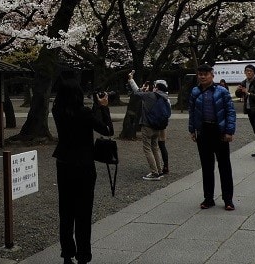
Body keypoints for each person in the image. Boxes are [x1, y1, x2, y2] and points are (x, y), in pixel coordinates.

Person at [52, 79, 114, 264]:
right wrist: (103, 107)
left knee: (66, 212)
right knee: (83, 213)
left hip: (64, 163)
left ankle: (67, 254)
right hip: (84, 166)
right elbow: (108, 130)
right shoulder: (84, 113)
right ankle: (83, 256)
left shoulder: (57, 111)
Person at [188, 63, 236, 211]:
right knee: (206, 167)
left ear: (212, 75)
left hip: (219, 131)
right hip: (203, 131)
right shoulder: (195, 92)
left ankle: (228, 199)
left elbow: (230, 112)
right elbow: (192, 112)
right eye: (200, 74)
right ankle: (208, 198)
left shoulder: (222, 91)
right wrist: (192, 130)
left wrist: (229, 131)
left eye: (205, 74)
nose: (202, 76)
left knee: (224, 166)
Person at [127, 71, 169, 180]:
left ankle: (154, 173)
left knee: (147, 149)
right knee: (155, 148)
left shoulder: (149, 95)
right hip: (158, 126)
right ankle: (159, 170)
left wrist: (131, 79)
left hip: (147, 125)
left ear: (156, 87)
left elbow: (136, 92)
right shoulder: (165, 97)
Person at [235, 63, 255, 160]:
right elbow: (239, 95)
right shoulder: (244, 82)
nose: (249, 73)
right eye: (247, 71)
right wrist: (239, 90)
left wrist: (248, 93)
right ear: (245, 72)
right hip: (249, 110)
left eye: (251, 71)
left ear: (254, 73)